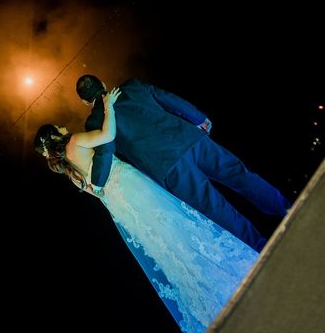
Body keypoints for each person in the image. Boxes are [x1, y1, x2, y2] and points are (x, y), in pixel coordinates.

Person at [33, 90, 259, 333]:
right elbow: (108, 135)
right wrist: (108, 106)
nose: (63, 127)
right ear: (54, 135)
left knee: (163, 242)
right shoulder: (75, 141)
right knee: (176, 222)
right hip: (131, 186)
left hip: (118, 205)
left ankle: (206, 294)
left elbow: (97, 191)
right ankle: (228, 271)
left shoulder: (70, 174)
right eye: (58, 127)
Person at [75, 74, 291, 252]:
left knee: (215, 207)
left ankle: (261, 247)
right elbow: (168, 98)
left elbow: (105, 151)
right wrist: (199, 118)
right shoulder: (132, 86)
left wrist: (98, 184)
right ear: (103, 83)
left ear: (85, 102)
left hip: (169, 167)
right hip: (189, 139)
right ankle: (285, 208)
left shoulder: (94, 121)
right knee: (241, 175)